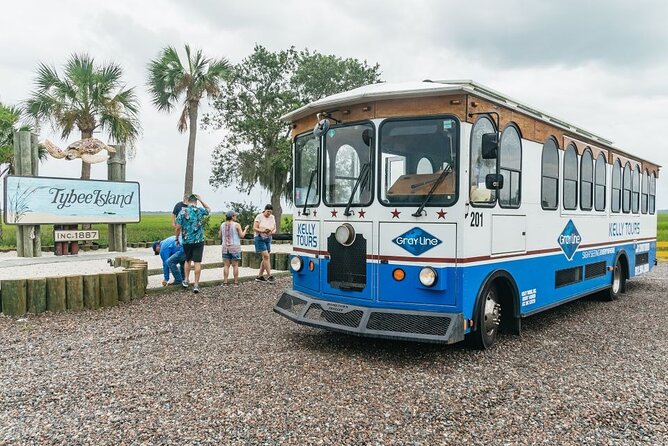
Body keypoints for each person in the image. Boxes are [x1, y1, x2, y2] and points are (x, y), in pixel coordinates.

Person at [175, 194, 211, 294]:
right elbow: (208, 209)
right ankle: (196, 285)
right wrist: (201, 200)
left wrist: (177, 238)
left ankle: (186, 280)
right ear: (195, 202)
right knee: (197, 263)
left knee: (187, 260)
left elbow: (177, 227)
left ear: (187, 201)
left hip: (186, 240)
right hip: (198, 240)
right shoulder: (199, 210)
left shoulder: (182, 212)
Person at [219, 210, 249, 287]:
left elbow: (219, 235)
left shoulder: (222, 225)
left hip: (225, 247)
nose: (236, 217)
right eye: (235, 215)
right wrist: (245, 229)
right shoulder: (236, 225)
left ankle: (225, 282)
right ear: (232, 216)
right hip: (235, 247)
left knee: (226, 265)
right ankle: (236, 283)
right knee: (235, 265)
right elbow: (242, 235)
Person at [253, 204, 276, 283]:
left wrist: (272, 232)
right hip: (259, 237)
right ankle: (270, 275)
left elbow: (274, 227)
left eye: (270, 212)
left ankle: (260, 276)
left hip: (268, 238)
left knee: (265, 257)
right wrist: (262, 231)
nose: (269, 213)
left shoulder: (272, 217)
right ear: (264, 210)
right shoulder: (259, 216)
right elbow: (255, 228)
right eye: (268, 211)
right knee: (266, 256)